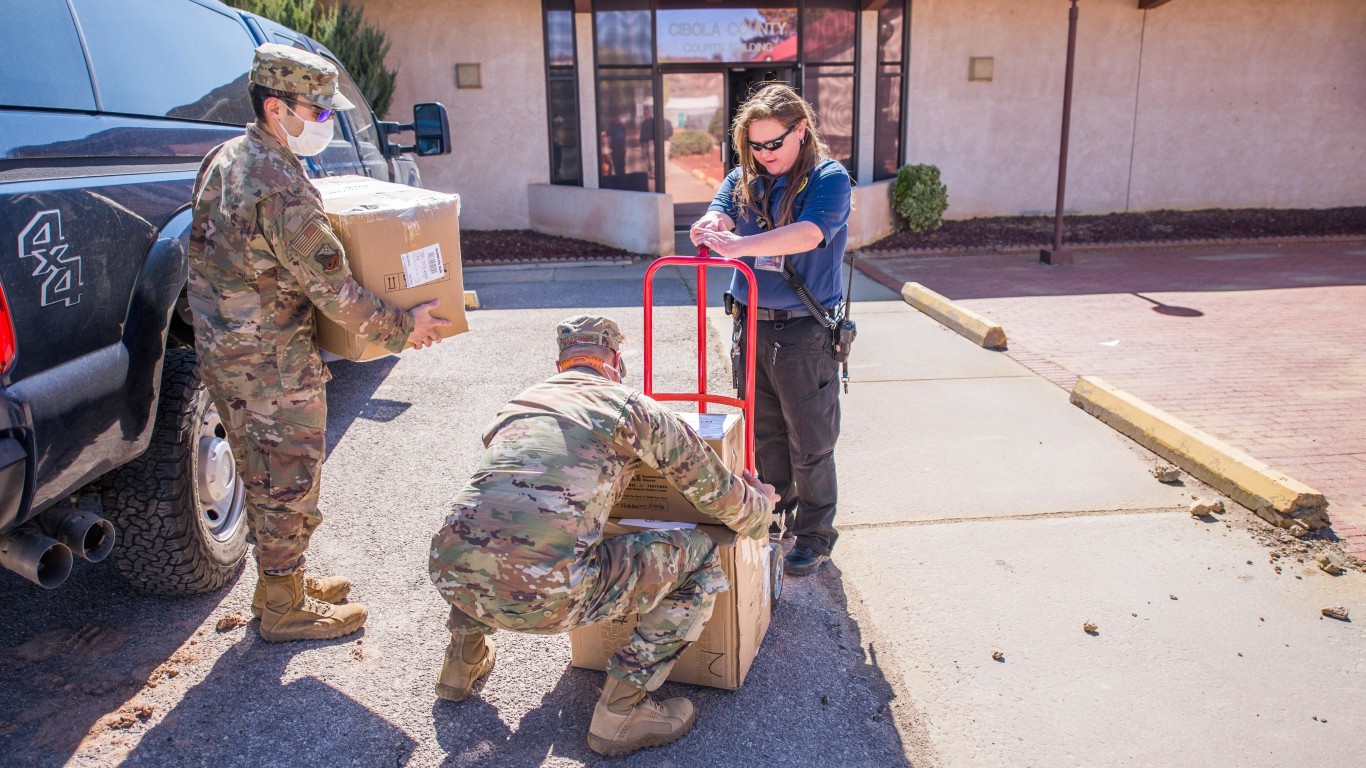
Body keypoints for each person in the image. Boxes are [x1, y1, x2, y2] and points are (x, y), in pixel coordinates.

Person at [187, 43, 448, 643]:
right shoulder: (278, 184)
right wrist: (408, 329)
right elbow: (337, 294)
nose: (325, 124)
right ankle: (283, 608)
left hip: (226, 354)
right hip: (272, 366)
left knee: (262, 474)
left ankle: (282, 582)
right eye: (318, 111)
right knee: (287, 480)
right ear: (277, 108)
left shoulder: (226, 157)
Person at [428, 315, 778, 757]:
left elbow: (507, 507)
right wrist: (762, 503)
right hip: (547, 598)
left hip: (451, 573)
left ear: (562, 364)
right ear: (615, 361)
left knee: (489, 535)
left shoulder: (519, 404)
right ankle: (621, 713)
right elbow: (722, 499)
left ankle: (460, 663)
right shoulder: (631, 408)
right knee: (702, 559)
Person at [689, 83, 852, 577]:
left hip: (804, 331)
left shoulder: (828, 178)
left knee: (811, 440)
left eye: (773, 144)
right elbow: (718, 210)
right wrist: (710, 225)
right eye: (754, 146)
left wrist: (738, 247)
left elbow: (808, 234)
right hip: (751, 324)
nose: (764, 155)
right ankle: (774, 514)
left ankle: (815, 535)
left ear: (801, 130)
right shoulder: (745, 177)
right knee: (763, 435)